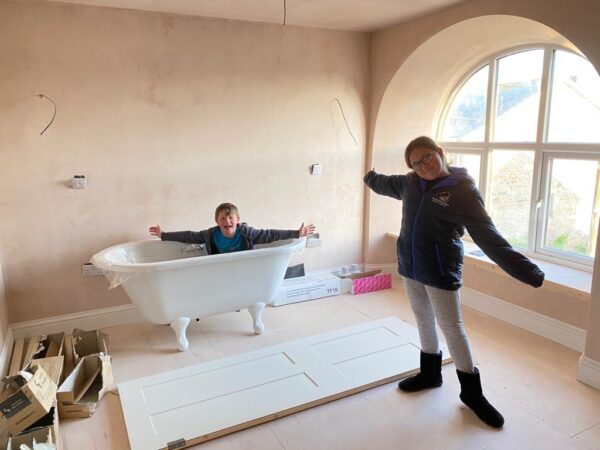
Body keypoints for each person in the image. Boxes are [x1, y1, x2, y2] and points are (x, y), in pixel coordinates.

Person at [363, 136, 544, 429]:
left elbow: (489, 237)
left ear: (440, 152)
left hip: (439, 269)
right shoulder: (409, 183)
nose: (423, 166)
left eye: (426, 158)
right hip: (410, 267)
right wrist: (368, 175)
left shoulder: (462, 191)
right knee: (423, 320)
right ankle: (430, 375)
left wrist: (529, 272)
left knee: (452, 328)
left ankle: (473, 394)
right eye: (416, 164)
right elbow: (382, 184)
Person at [149, 202, 315, 254]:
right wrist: (163, 235)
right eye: (222, 218)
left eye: (230, 218)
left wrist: (296, 233)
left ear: (238, 220)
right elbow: (189, 236)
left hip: (243, 264)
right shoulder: (210, 235)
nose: (227, 221)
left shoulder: (247, 234)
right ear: (217, 221)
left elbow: (270, 234)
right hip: (222, 265)